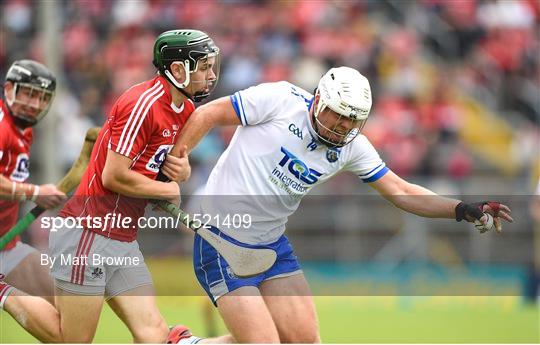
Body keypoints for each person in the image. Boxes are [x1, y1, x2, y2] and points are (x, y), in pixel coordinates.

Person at [162, 66, 514, 343]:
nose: (342, 126)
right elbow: (206, 114)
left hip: (272, 246)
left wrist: (461, 209)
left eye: (352, 120)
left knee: (304, 340)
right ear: (318, 100)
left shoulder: (351, 147)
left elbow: (399, 189)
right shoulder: (278, 100)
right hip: (221, 240)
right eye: (336, 115)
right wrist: (176, 160)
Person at [0, 29, 220, 343]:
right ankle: (2, 290)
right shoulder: (141, 104)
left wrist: (179, 172)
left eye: (212, 66)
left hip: (123, 237)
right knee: (71, 338)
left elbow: (161, 170)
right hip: (88, 233)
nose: (211, 75)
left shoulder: (184, 110)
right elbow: (113, 176)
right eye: (203, 67)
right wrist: (167, 191)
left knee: (154, 334)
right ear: (177, 69)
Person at [0, 59, 66, 304]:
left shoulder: (24, 131)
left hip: (7, 247)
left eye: (42, 97)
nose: (35, 105)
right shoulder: (2, 125)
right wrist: (34, 192)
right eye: (28, 94)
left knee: (67, 306)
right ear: (9, 89)